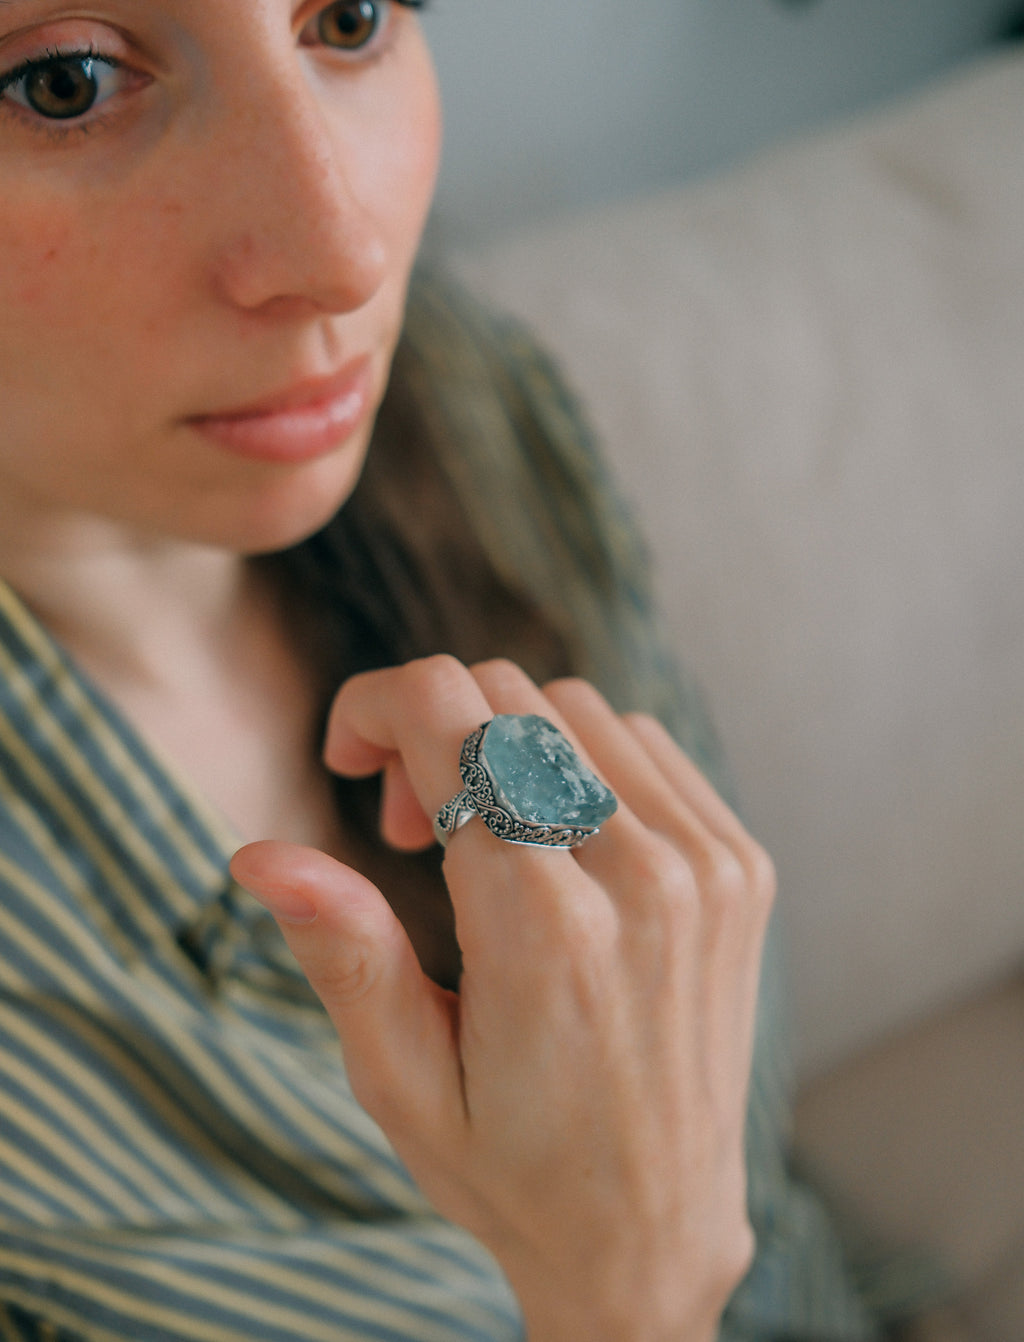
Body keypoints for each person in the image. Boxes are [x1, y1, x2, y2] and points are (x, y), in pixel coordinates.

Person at [0, 2, 931, 1338]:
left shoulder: (463, 394)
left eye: (351, 17)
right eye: (67, 82)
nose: (343, 251)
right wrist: (630, 1294)